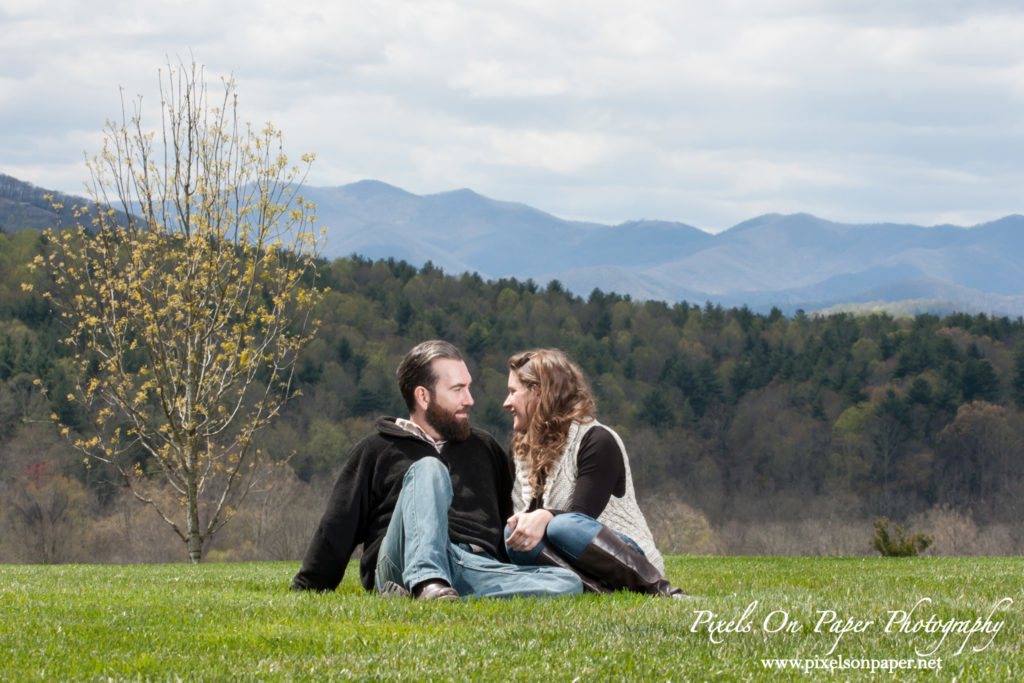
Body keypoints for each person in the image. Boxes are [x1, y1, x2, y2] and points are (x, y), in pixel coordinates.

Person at [290, 340, 582, 600]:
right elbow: (336, 528)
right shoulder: (375, 450)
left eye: (468, 387)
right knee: (428, 469)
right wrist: (308, 585)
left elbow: (512, 514)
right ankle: (426, 580)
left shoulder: (485, 447)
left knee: (566, 583)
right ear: (423, 396)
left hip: (470, 565)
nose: (470, 399)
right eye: (458, 390)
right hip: (399, 561)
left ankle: (435, 592)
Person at [502, 348, 686, 597]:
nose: (507, 402)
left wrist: (544, 516)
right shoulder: (521, 452)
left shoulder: (596, 440)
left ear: (538, 392)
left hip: (625, 556)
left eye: (513, 392)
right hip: (573, 564)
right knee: (513, 534)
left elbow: (580, 521)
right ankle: (601, 593)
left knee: (562, 527)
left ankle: (660, 590)